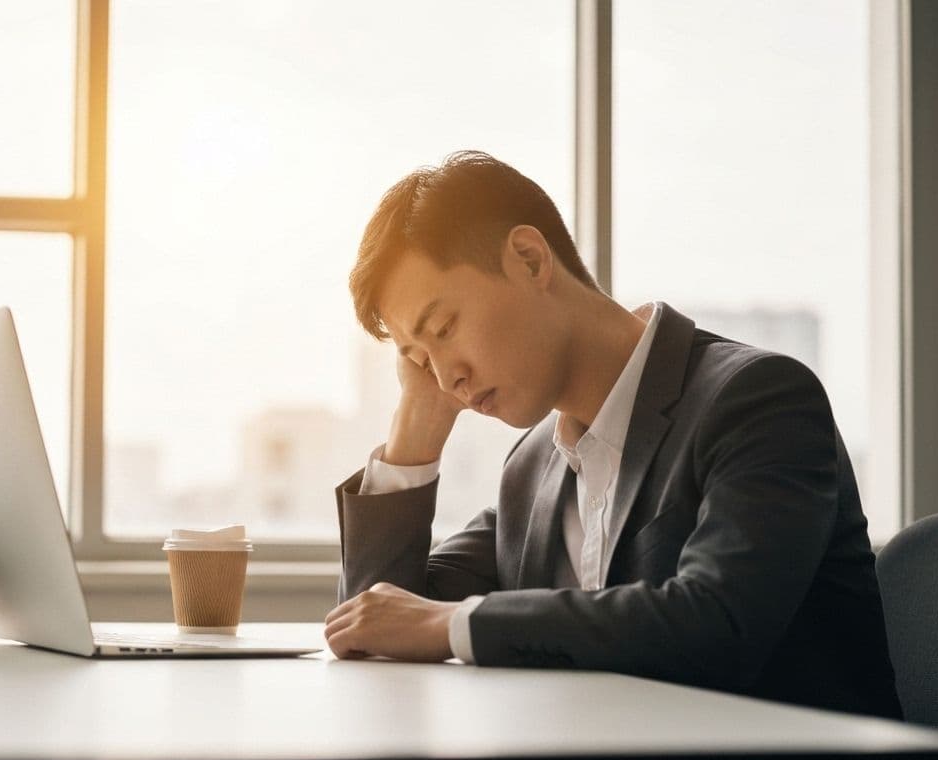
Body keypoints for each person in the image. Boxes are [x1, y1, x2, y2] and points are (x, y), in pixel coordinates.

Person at [323, 151, 901, 718]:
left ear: (528, 259)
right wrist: (414, 437)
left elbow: (718, 624)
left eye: (444, 328)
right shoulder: (532, 468)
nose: (446, 376)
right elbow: (374, 626)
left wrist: (453, 624)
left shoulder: (759, 399)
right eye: (420, 359)